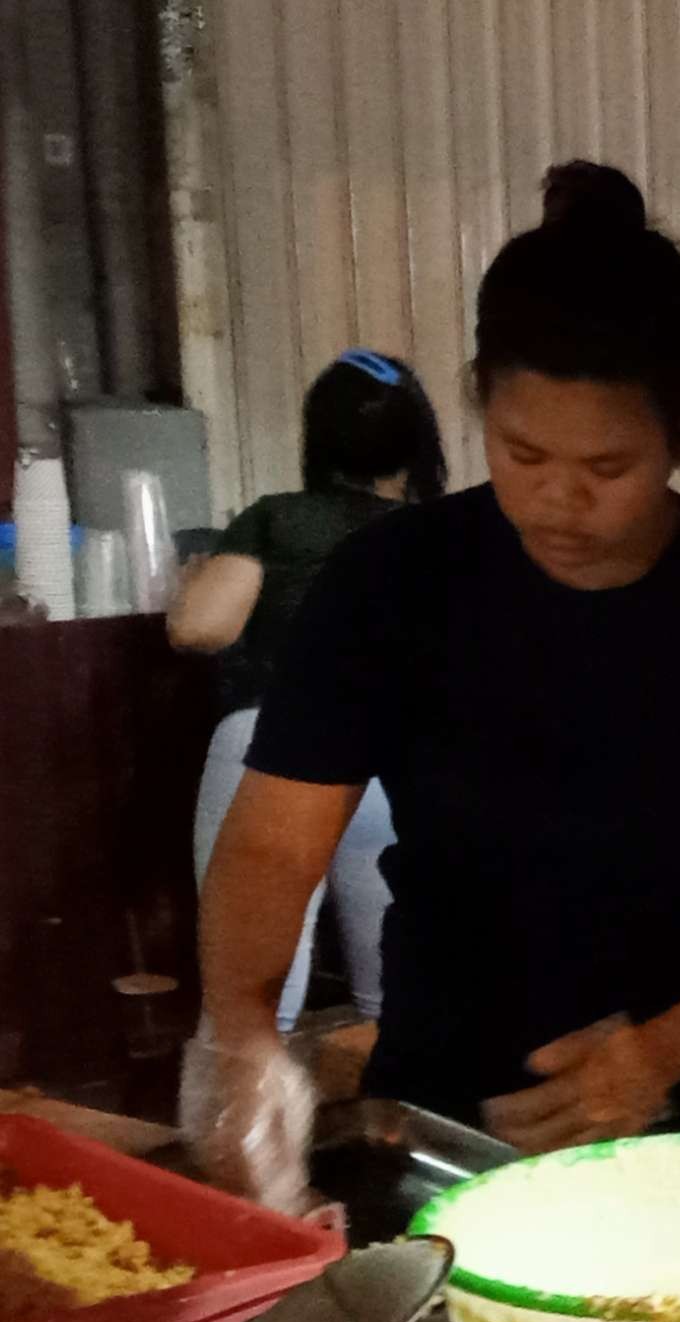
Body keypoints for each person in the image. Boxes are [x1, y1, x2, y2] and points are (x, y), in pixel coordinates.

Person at [197, 163, 680, 1187]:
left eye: (607, 470)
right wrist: (243, 1036)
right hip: (448, 1121)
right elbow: (271, 850)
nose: (558, 501)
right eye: (521, 453)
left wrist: (656, 1058)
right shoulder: (391, 583)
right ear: (476, 403)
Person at [174, 350, 444, 1032]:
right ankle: (388, 1133)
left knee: (251, 1018)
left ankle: (244, 1139)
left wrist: (197, 576)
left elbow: (200, 626)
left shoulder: (277, 520)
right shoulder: (440, 535)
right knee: (395, 1010)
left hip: (267, 752)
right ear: (418, 443)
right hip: (401, 767)